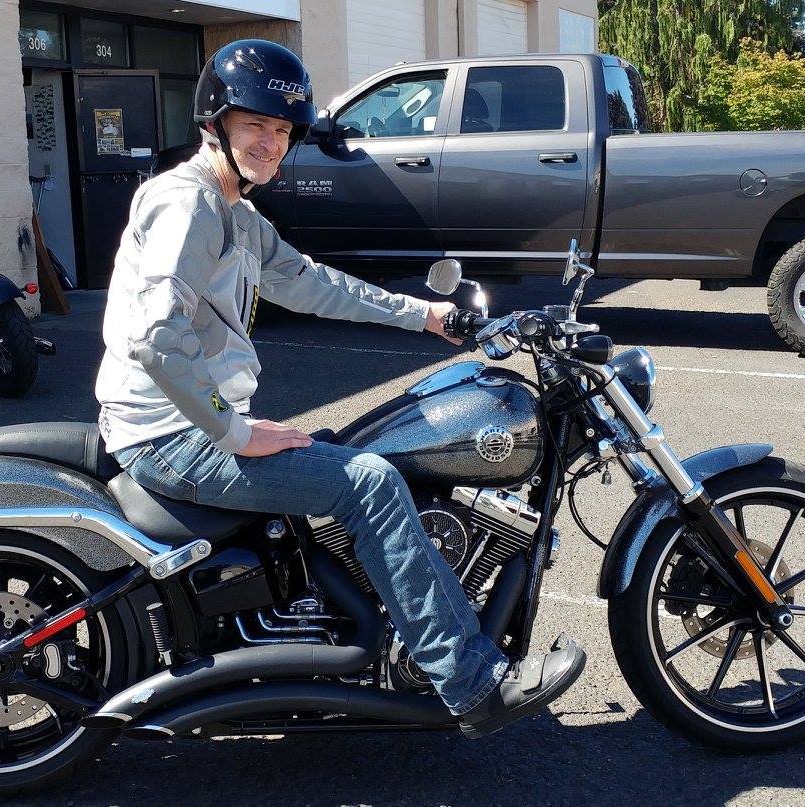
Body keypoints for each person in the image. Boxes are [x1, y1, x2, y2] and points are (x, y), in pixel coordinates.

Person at [95, 39, 584, 738]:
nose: (272, 143)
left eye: (284, 131)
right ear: (216, 123)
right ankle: (472, 683)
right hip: (170, 435)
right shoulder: (188, 205)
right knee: (367, 481)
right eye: (256, 126)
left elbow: (311, 281)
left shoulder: (234, 212)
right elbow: (155, 336)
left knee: (351, 455)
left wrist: (426, 315)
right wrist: (233, 432)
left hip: (184, 425)